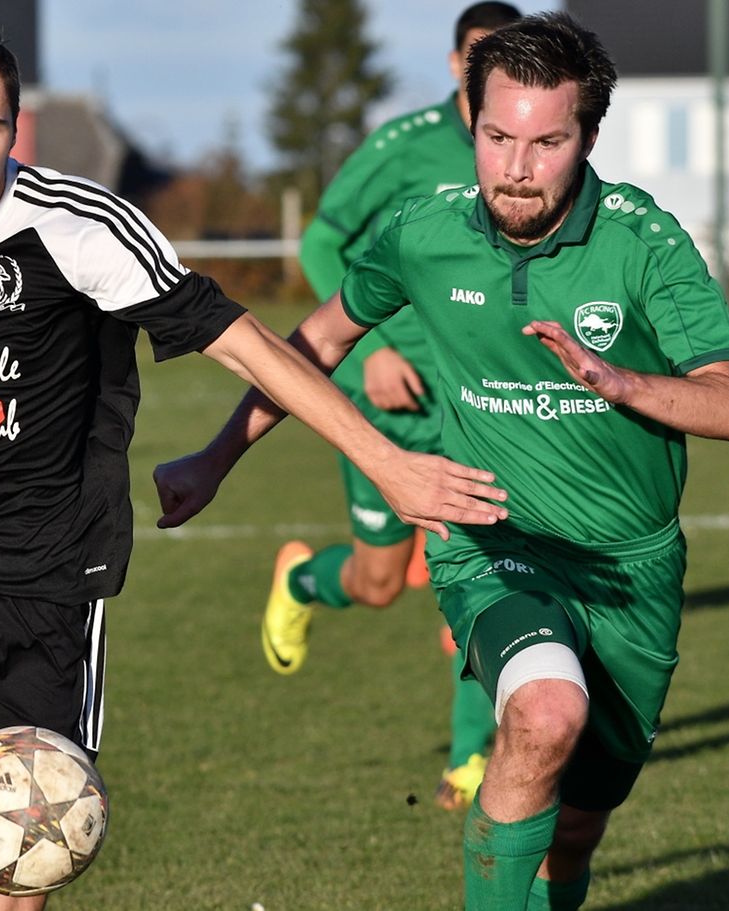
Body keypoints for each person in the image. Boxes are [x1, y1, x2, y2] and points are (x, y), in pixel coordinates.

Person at [0, 19, 507, 911]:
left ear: (16, 122)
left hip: (45, 588)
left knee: (8, 879)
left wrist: (380, 461)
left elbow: (251, 346)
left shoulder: (82, 230)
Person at [154, 12, 729, 910]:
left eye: (547, 142)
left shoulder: (643, 243)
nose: (516, 166)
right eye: (498, 136)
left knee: (577, 827)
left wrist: (624, 385)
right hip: (493, 538)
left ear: (587, 137)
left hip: (632, 567)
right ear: (470, 119)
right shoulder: (420, 230)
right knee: (544, 716)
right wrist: (217, 453)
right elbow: (317, 339)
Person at [267, 1, 520, 811]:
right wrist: (369, 350)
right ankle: (306, 581)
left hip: (480, 402)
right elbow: (320, 242)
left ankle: (469, 756)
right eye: (480, 60)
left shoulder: (533, 154)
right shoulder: (405, 147)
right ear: (455, 67)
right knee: (378, 582)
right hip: (384, 404)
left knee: (481, 576)